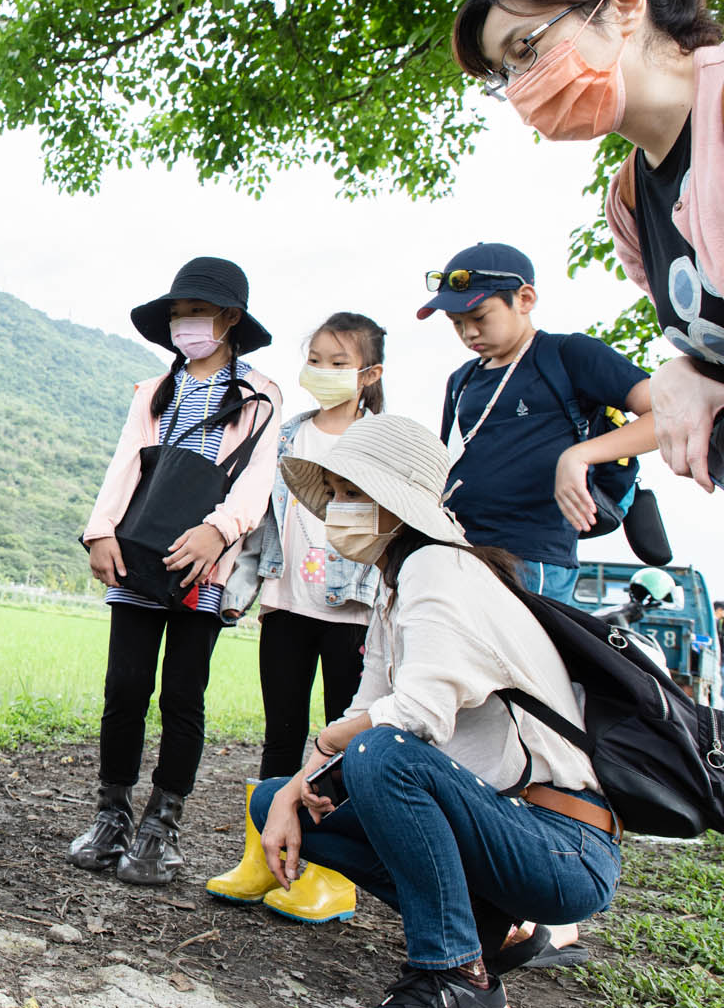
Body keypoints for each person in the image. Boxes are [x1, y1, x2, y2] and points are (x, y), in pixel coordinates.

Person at [253, 414, 621, 1008]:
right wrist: (293, 792)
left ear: (397, 505)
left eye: (355, 494)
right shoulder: (396, 584)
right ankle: (485, 924)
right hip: (504, 826)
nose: (339, 509)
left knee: (380, 753)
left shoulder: (439, 568)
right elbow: (367, 704)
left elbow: (415, 716)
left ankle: (456, 975)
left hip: (562, 842)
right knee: (273, 800)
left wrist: (325, 746)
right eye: (336, 493)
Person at [451, 0, 724, 488]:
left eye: (525, 49)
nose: (520, 87)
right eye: (504, 75)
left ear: (624, 5)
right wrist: (684, 372)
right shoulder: (628, 201)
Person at [69, 256, 282, 886]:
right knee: (124, 688)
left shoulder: (260, 395)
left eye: (197, 312)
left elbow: (258, 478)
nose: (185, 323)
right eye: (178, 313)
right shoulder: (154, 391)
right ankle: (111, 816)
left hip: (204, 565)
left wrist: (220, 529)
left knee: (183, 695)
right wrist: (100, 531)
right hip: (138, 556)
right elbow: (125, 464)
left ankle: (162, 826)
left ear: (230, 319)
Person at [206, 312, 385, 922]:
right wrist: (242, 589)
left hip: (354, 612)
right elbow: (260, 520)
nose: (324, 372)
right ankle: (263, 858)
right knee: (280, 733)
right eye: (316, 360)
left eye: (339, 363)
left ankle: (332, 875)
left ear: (369, 375)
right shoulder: (285, 435)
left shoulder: (380, 441)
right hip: (286, 602)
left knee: (343, 744)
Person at [423, 242, 655, 604]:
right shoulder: (461, 380)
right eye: (457, 324)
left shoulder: (568, 355)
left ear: (525, 299)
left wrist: (578, 456)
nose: (469, 333)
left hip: (533, 557)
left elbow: (668, 417)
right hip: (458, 549)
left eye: (479, 317)